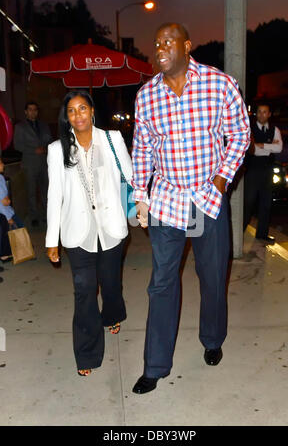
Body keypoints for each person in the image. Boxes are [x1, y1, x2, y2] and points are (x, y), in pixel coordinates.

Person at [131, 23, 250, 394]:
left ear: (186, 45)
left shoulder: (219, 85)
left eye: (168, 41)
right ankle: (155, 365)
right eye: (156, 42)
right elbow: (143, 149)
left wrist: (220, 179)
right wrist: (140, 195)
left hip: (204, 200)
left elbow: (241, 134)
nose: (160, 47)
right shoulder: (147, 95)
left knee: (211, 275)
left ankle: (212, 339)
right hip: (167, 200)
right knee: (161, 283)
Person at [46, 90, 132, 376]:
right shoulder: (57, 150)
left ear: (92, 111)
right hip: (77, 233)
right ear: (66, 116)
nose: (78, 115)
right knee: (84, 291)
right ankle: (86, 354)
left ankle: (113, 313)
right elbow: (54, 195)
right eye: (71, 110)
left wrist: (141, 205)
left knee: (109, 283)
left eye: (83, 108)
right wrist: (51, 240)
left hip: (110, 227)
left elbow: (130, 176)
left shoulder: (112, 139)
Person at [243, 103, 283, 243]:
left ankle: (262, 234)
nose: (261, 114)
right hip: (253, 170)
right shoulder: (250, 129)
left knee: (266, 203)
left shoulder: (274, 129)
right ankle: (239, 232)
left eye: (264, 112)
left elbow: (279, 148)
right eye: (259, 112)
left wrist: (263, 145)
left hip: (267, 170)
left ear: (269, 114)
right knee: (248, 203)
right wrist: (268, 147)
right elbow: (251, 149)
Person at [14, 101, 52, 227]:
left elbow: (50, 141)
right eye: (30, 109)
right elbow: (17, 145)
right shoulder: (20, 126)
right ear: (25, 112)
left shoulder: (44, 125)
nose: (33, 112)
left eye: (35, 109)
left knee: (46, 190)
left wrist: (45, 149)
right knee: (31, 192)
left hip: (44, 163)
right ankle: (34, 216)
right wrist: (34, 150)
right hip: (29, 163)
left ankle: (47, 215)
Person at [0, 158, 24, 229]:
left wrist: (7, 198)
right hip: (4, 216)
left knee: (21, 228)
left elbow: (4, 195)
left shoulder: (1, 177)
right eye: (0, 163)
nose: (3, 165)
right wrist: (8, 219)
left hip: (9, 211)